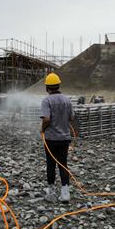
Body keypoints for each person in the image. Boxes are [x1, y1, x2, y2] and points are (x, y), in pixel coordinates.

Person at [40, 73, 74, 203]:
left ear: (47, 87)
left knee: (51, 164)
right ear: (59, 85)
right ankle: (65, 193)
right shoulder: (67, 100)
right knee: (63, 164)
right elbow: (71, 117)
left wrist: (42, 128)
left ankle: (51, 191)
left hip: (51, 138)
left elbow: (46, 118)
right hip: (65, 138)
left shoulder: (46, 101)